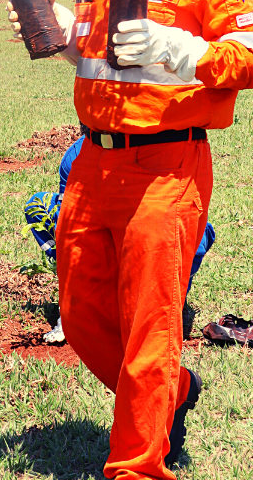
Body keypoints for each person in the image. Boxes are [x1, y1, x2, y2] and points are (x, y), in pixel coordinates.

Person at [8, 0, 253, 480]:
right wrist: (66, 34)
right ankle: (173, 389)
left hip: (166, 165)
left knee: (151, 321)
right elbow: (100, 59)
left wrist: (180, 47)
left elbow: (249, 60)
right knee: (82, 312)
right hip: (94, 161)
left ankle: (137, 475)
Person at [25, 135, 215, 345]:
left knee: (198, 233)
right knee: (37, 206)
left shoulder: (155, 148)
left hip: (143, 225)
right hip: (98, 232)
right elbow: (68, 224)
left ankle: (167, 306)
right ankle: (90, 296)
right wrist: (69, 308)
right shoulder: (75, 157)